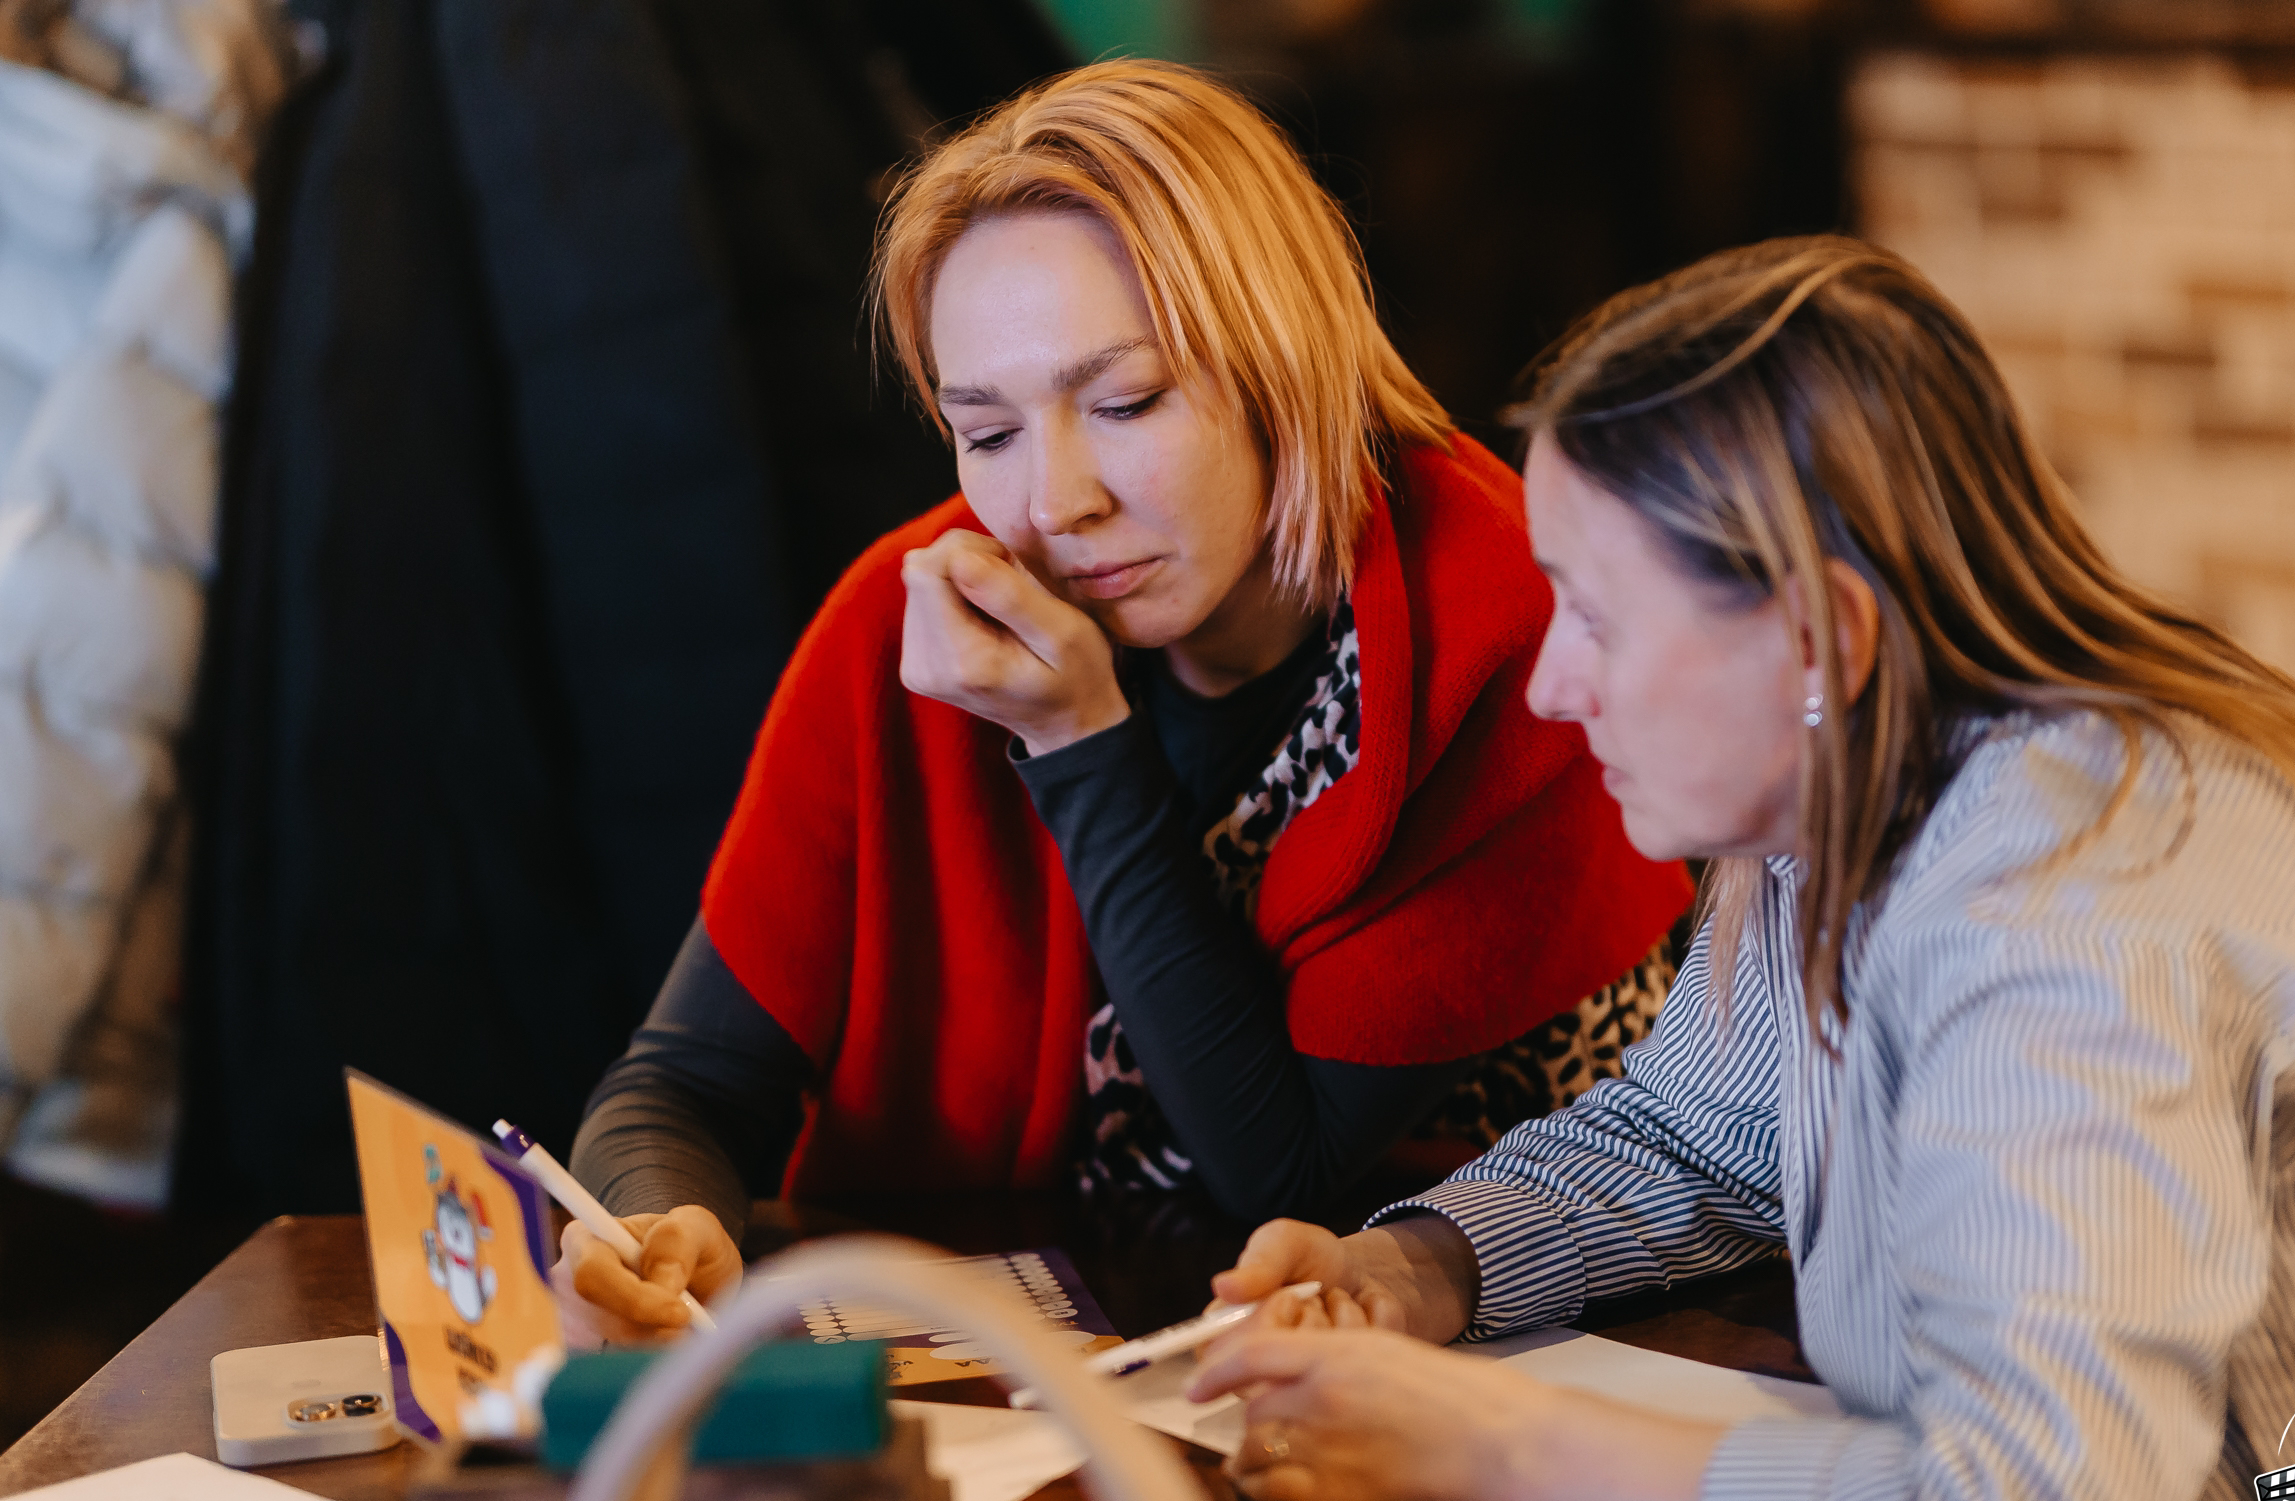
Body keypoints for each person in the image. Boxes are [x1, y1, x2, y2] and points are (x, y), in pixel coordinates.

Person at [1190, 236, 2295, 1501]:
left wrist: (1483, 1441)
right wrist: (1415, 1268)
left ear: (1818, 638)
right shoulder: (1845, 797)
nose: (1549, 680)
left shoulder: (2068, 903)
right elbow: (1683, 1133)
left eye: (1597, 613)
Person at [554, 61, 1693, 1337]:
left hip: (1478, 1366)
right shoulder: (920, 616)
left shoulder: (1498, 628)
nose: (1054, 504)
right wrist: (661, 1224)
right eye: (986, 433)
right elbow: (686, 1080)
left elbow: (1276, 1178)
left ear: (1283, 361)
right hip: (1059, 1385)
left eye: (1124, 402)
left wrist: (1075, 743)